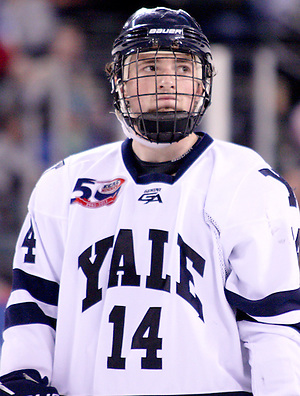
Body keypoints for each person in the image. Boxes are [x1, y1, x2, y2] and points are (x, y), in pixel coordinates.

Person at [0, 7, 300, 396]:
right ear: (119, 83)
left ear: (203, 82)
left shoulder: (248, 183)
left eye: (181, 67)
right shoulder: (64, 184)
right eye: (149, 68)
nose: (166, 82)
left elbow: (275, 332)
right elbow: (32, 313)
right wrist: (21, 381)